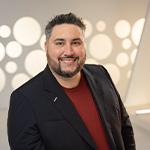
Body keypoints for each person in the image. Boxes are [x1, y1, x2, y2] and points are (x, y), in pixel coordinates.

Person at [7, 13, 136, 150]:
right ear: (46, 47)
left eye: (75, 42)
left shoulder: (101, 74)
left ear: (84, 45)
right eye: (60, 43)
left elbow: (124, 127)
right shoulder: (24, 99)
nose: (68, 51)